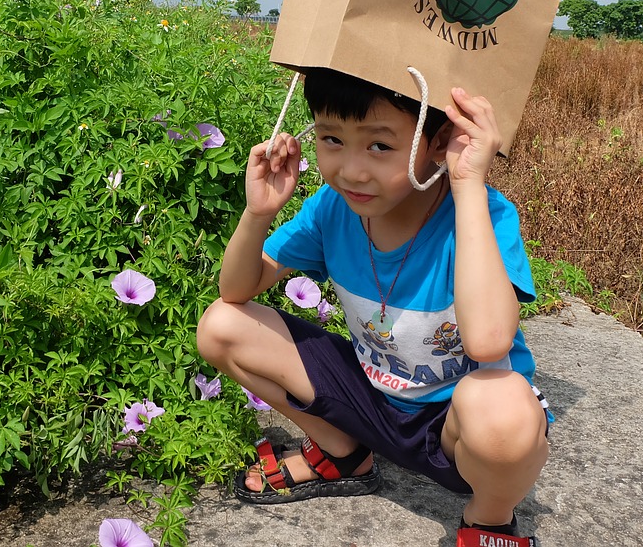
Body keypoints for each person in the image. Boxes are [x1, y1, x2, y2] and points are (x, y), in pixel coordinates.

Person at [196, 67, 549, 545]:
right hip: (371, 398)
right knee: (221, 325)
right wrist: (258, 212)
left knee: (505, 408)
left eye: (380, 145)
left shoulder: (482, 213)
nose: (352, 170)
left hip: (457, 433)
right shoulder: (332, 208)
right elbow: (237, 290)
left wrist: (467, 186)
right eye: (331, 139)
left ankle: (488, 519)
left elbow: (488, 343)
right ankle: (342, 452)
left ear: (441, 138)